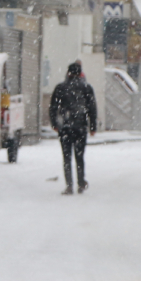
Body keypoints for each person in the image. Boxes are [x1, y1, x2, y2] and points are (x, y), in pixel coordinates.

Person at [49, 61, 97, 194]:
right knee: (79, 156)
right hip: (80, 127)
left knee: (67, 157)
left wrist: (54, 124)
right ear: (80, 73)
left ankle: (69, 185)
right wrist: (92, 126)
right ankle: (81, 183)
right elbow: (92, 108)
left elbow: (53, 108)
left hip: (65, 127)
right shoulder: (87, 88)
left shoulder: (60, 88)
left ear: (68, 73)